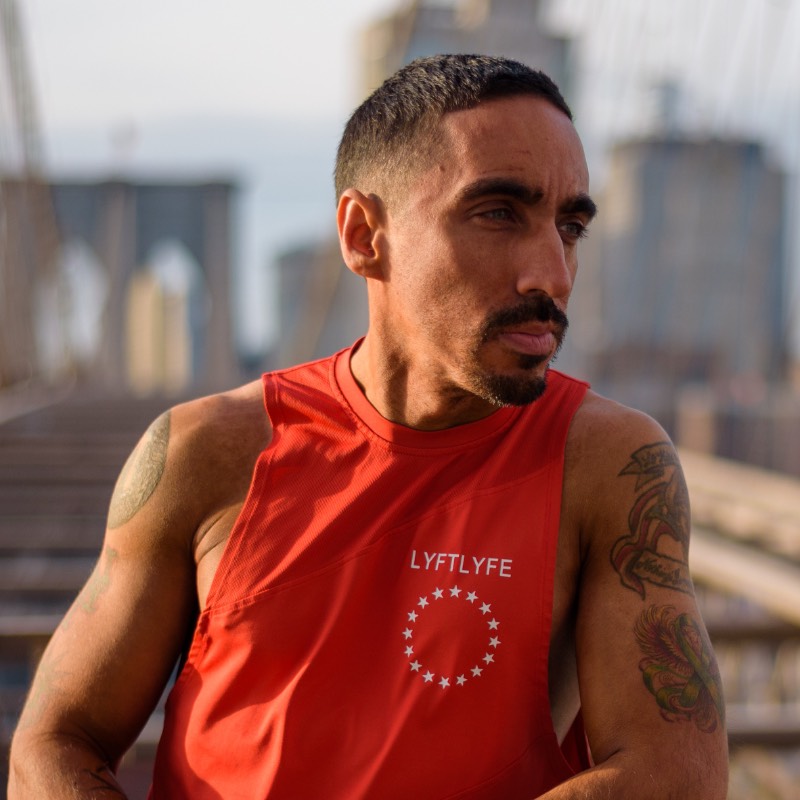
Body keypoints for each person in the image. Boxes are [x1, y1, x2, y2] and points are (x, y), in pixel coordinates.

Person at [8, 54, 728, 799]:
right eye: (497, 214)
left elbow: (676, 773)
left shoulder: (608, 464)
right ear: (363, 235)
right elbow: (55, 740)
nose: (553, 274)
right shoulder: (205, 452)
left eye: (570, 226)